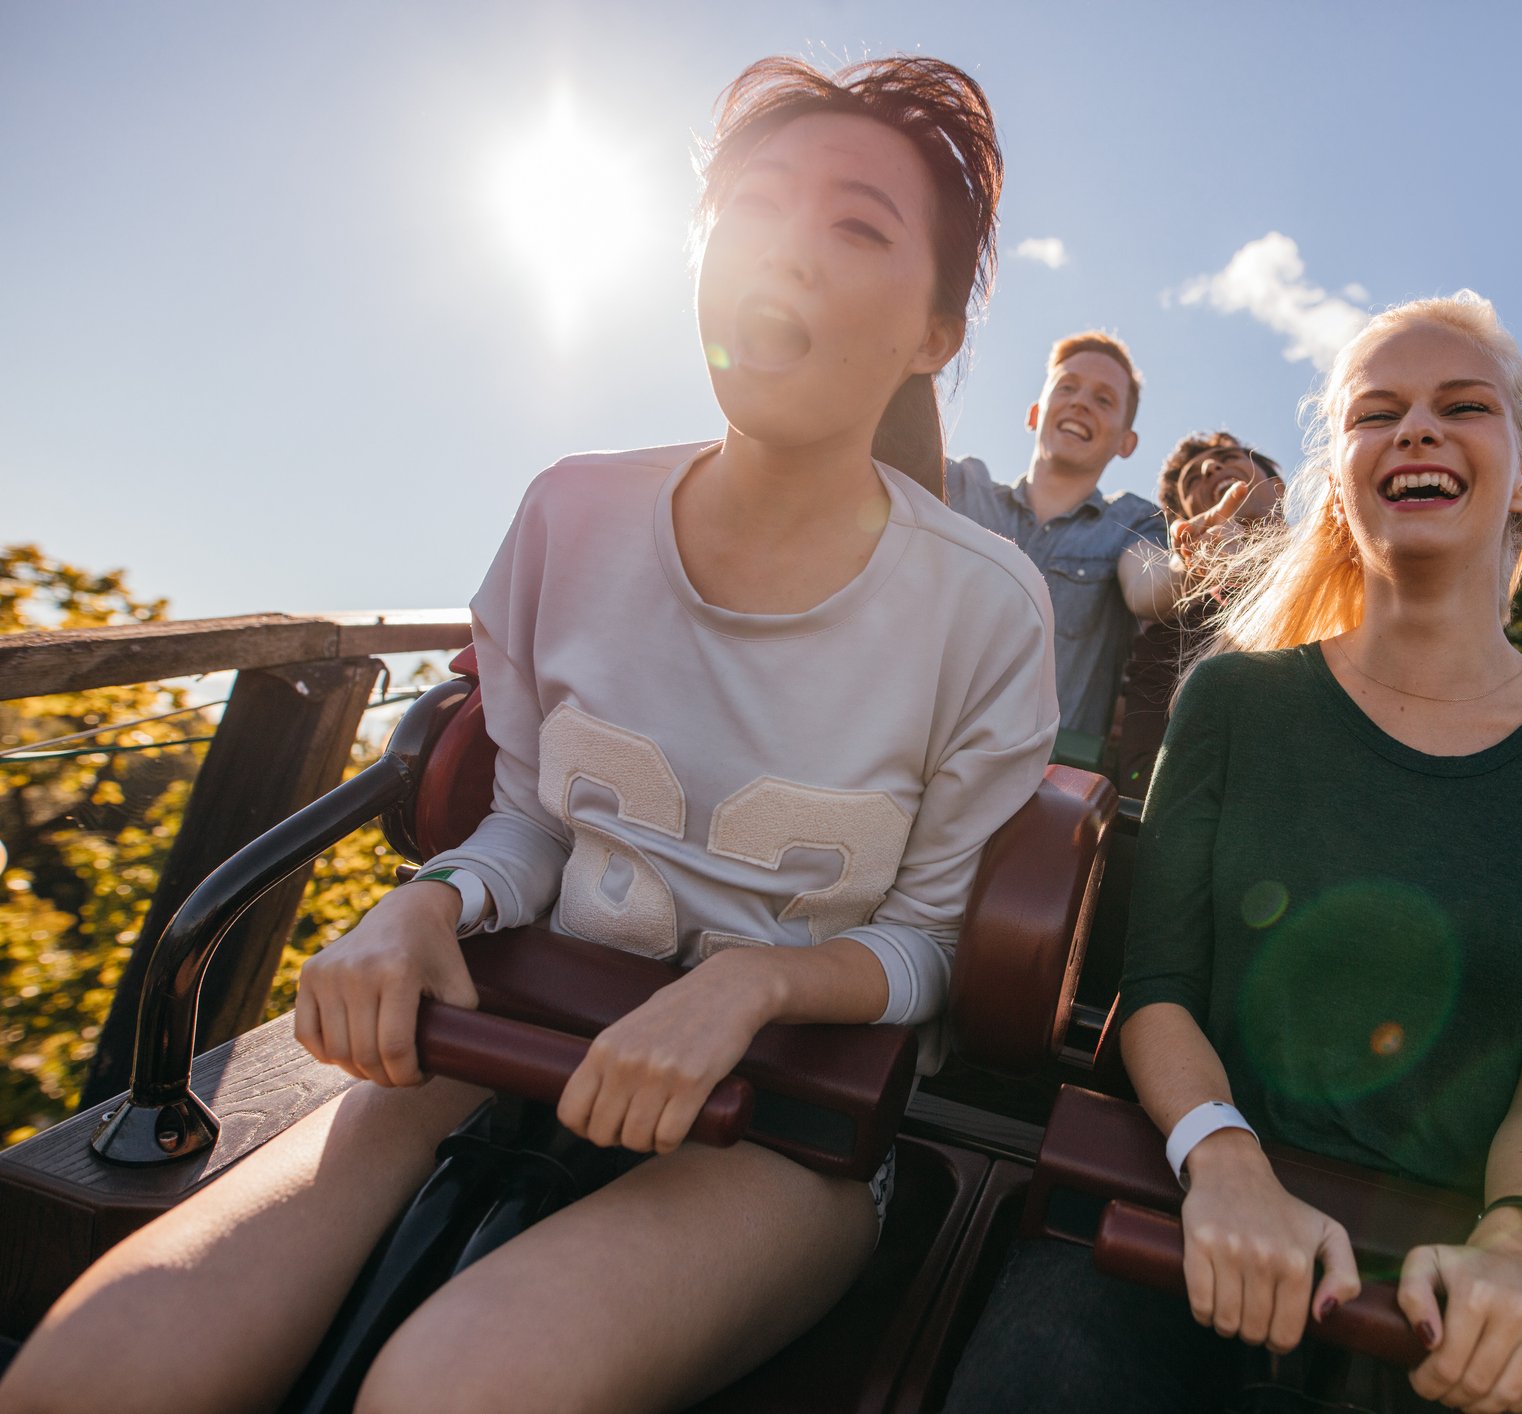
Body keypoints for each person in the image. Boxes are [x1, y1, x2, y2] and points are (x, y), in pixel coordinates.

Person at [2, 55, 1056, 1414]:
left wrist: (748, 986)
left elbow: (925, 944)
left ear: (932, 333)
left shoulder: (986, 610)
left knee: (457, 1388)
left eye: (858, 225)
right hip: (509, 1025)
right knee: (90, 1379)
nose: (788, 248)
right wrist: (427, 902)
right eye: (755, 206)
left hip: (786, 1128)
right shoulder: (569, 514)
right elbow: (539, 819)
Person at [945, 293, 1522, 1414]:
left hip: (1441, 1278)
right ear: (1339, 480)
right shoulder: (1233, 700)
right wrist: (1227, 1164)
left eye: (1462, 406)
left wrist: (1518, 1247)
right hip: (1181, 1193)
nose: (1418, 430)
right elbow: (1160, 994)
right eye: (1377, 413)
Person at [946, 335, 1240, 768]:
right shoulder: (959, 486)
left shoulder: (1129, 521)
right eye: (1067, 387)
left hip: (1036, 785)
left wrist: (1189, 562)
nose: (1081, 403)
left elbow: (1147, 586)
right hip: (905, 748)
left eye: (1104, 399)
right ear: (1034, 413)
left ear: (1126, 442)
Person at [1110, 431, 1284, 795]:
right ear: (1186, 525)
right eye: (1192, 480)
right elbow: (1145, 782)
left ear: (1278, 487)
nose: (1209, 466)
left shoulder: (1355, 572)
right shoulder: (1169, 640)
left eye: (1229, 455)